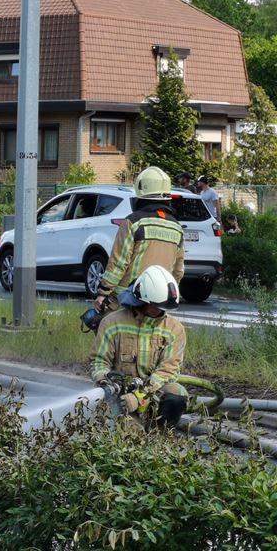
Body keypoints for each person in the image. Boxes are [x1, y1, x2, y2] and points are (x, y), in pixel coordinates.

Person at [90, 265, 188, 427]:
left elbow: (167, 370)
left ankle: (160, 433)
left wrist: (141, 395)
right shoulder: (112, 323)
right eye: (155, 306)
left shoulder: (174, 329)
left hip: (154, 392)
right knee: (130, 435)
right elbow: (98, 361)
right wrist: (105, 382)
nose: (159, 311)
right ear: (141, 299)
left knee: (176, 395)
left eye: (163, 307)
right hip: (119, 397)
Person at [94, 166, 185, 312]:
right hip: (158, 301)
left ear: (140, 194)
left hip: (128, 298)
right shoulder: (176, 227)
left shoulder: (133, 222)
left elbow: (118, 263)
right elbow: (178, 270)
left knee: (107, 330)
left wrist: (103, 292)